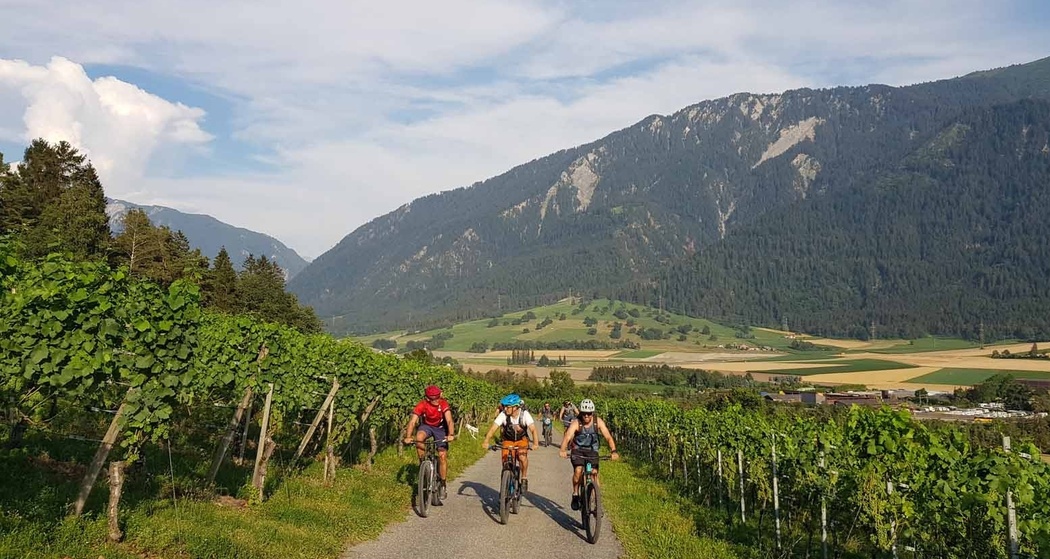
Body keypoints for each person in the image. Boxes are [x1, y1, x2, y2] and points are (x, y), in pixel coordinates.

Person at [558, 398, 619, 511]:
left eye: (589, 414)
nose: (586, 416)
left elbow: (608, 437)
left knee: (594, 473)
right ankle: (575, 493)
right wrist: (562, 449)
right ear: (581, 413)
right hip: (578, 450)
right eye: (584, 414)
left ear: (592, 413)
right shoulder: (576, 423)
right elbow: (567, 437)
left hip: (592, 450)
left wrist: (613, 451)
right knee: (578, 471)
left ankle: (597, 504)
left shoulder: (598, 422)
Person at [404, 385, 455, 501]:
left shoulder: (443, 404)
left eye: (437, 398)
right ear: (427, 398)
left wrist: (451, 435)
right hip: (427, 426)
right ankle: (423, 463)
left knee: (442, 456)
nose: (435, 401)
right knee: (419, 437)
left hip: (441, 429)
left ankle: (442, 483)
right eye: (432, 399)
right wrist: (408, 437)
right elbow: (412, 421)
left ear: (440, 396)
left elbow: (449, 420)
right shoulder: (422, 404)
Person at [482, 393, 538, 493]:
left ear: (516, 407)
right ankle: (504, 490)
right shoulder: (503, 415)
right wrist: (486, 441)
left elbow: (533, 429)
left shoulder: (524, 414)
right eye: (505, 406)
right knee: (505, 463)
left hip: (521, 440)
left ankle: (524, 478)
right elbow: (493, 429)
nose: (505, 408)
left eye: (508, 406)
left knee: (522, 457)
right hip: (508, 440)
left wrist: (535, 443)